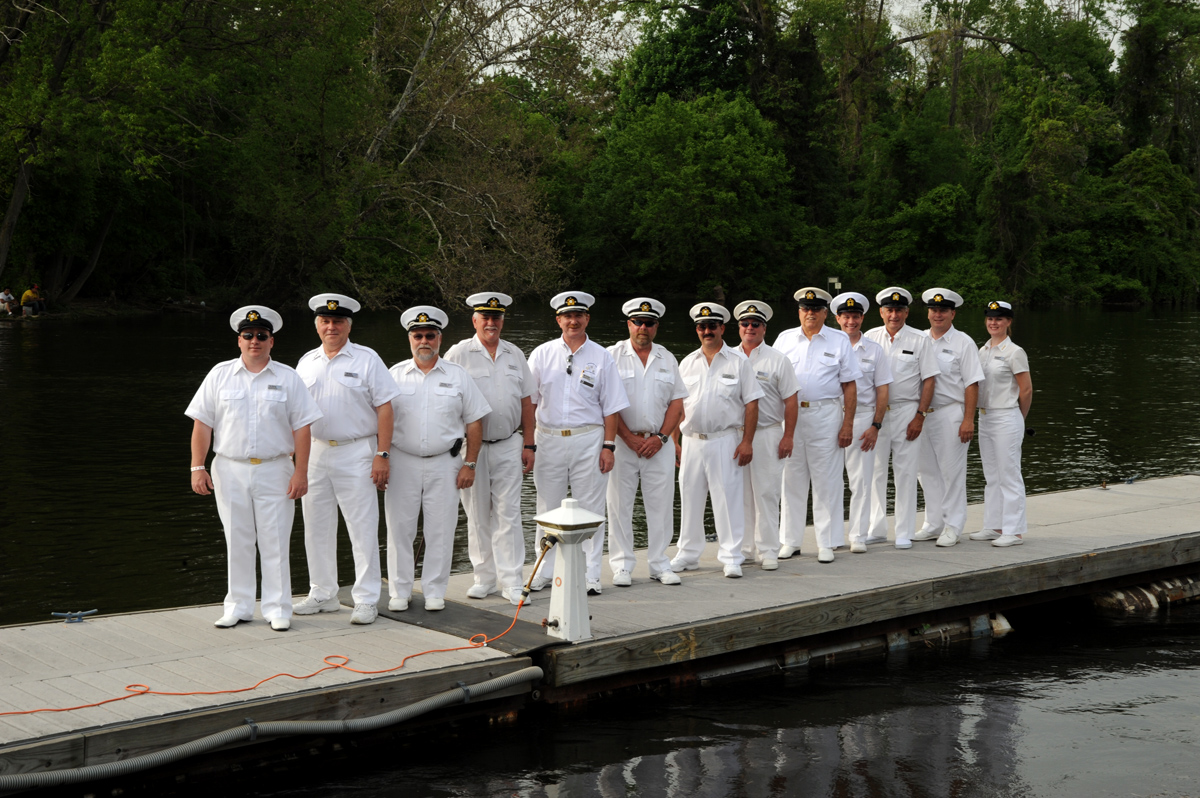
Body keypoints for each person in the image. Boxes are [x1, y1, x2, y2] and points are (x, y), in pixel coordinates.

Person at [186, 306, 322, 631]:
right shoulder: (219, 374)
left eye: (261, 336)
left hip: (275, 468)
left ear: (271, 341)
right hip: (229, 468)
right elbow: (202, 424)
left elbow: (303, 429)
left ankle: (277, 609)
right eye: (248, 336)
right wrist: (196, 467)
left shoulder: (288, 377)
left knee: (275, 539)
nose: (254, 341)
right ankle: (238, 605)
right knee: (238, 538)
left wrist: (301, 472)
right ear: (239, 341)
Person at [294, 293, 399, 626]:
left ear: (348, 325)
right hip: (315, 450)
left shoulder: (367, 359)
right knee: (316, 526)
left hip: (357, 450)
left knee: (362, 527)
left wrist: (382, 454)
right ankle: (322, 592)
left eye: (337, 321)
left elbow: (385, 407)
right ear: (317, 325)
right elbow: (294, 414)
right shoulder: (306, 361)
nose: (331, 326)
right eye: (325, 321)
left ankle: (366, 598)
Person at [384, 306, 490, 612]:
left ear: (440, 339)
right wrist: (382, 458)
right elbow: (381, 420)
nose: (424, 341)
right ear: (410, 339)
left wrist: (470, 463)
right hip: (403, 460)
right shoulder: (394, 376)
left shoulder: (458, 376)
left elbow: (474, 422)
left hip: (446, 462)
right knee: (400, 529)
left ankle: (434, 590)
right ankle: (400, 591)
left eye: (430, 335)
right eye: (418, 335)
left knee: (440, 530)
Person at [527, 291, 629, 595]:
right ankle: (544, 570)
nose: (573, 321)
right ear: (559, 319)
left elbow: (611, 406)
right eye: (567, 316)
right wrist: (529, 445)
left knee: (591, 509)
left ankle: (590, 575)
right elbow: (530, 404)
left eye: (579, 315)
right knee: (547, 507)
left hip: (589, 439)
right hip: (548, 439)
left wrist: (608, 446)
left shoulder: (602, 356)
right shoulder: (542, 354)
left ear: (587, 319)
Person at [444, 292, 536, 606]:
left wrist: (529, 443)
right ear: (475, 320)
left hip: (509, 443)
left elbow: (527, 402)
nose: (491, 323)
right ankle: (484, 578)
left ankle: (512, 581)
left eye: (496, 318)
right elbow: (446, 399)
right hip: (472, 449)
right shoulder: (458, 353)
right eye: (485, 317)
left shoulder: (515, 354)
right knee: (478, 514)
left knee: (509, 514)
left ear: (503, 320)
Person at [672, 302, 763, 579]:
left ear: (723, 328)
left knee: (728, 499)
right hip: (691, 441)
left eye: (713, 326)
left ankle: (731, 556)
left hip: (725, 439)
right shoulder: (687, 362)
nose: (707, 331)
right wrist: (674, 441)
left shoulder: (739, 362)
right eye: (702, 327)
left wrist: (747, 441)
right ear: (697, 330)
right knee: (689, 497)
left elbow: (751, 404)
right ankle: (687, 554)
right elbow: (677, 405)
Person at [605, 297, 688, 587]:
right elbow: (607, 403)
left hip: (659, 444)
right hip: (621, 442)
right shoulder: (611, 355)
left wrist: (662, 438)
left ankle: (659, 564)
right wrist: (626, 437)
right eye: (637, 322)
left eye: (649, 323)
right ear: (629, 324)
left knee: (661, 505)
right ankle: (622, 566)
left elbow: (677, 405)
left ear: (656, 327)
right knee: (619, 506)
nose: (643, 327)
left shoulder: (667, 357)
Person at [774, 288, 861, 564]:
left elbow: (849, 385)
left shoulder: (838, 341)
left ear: (825, 313)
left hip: (826, 415)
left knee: (827, 481)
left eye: (815, 309)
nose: (810, 313)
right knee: (792, 479)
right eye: (805, 309)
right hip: (791, 417)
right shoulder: (785, 339)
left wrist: (848, 424)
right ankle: (790, 541)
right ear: (799, 311)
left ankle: (826, 542)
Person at [863, 287, 939, 549]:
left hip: (908, 411)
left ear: (906, 312)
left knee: (906, 472)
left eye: (899, 310)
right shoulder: (869, 338)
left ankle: (904, 531)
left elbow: (929, 380)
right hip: (877, 413)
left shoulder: (920, 339)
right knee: (875, 471)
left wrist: (920, 415)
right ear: (881, 312)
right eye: (889, 310)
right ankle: (877, 527)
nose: (894, 315)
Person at [914, 288, 985, 548]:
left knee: (951, 472)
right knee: (925, 472)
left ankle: (953, 526)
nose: (937, 314)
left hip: (950, 413)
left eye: (943, 310)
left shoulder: (963, 342)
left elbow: (972, 383)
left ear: (952, 313)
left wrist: (969, 420)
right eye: (933, 310)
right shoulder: (919, 339)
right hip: (921, 416)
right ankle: (933, 523)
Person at [733, 300, 798, 570]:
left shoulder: (777, 359)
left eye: (755, 324)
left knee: (767, 494)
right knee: (739, 494)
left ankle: (769, 549)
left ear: (764, 328)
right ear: (738, 327)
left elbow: (791, 401)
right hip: (734, 435)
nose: (750, 328)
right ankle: (745, 549)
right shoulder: (728, 356)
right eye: (745, 324)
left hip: (768, 433)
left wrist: (788, 436)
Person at [832, 293, 893, 554]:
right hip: (830, 416)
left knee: (861, 481)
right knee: (830, 479)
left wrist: (876, 425)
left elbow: (882, 390)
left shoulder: (874, 349)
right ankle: (832, 536)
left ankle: (858, 534)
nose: (851, 321)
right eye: (846, 316)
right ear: (837, 319)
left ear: (862, 318)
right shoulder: (829, 345)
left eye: (855, 316)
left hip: (863, 418)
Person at [972, 300, 1032, 547]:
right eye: (989, 318)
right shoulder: (982, 350)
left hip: (1007, 415)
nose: (993, 322)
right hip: (985, 416)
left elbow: (1026, 390)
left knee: (1009, 474)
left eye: (999, 318)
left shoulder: (1014, 351)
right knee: (992, 475)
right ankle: (994, 525)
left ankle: (1014, 531)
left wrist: (1018, 418)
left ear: (1008, 321)